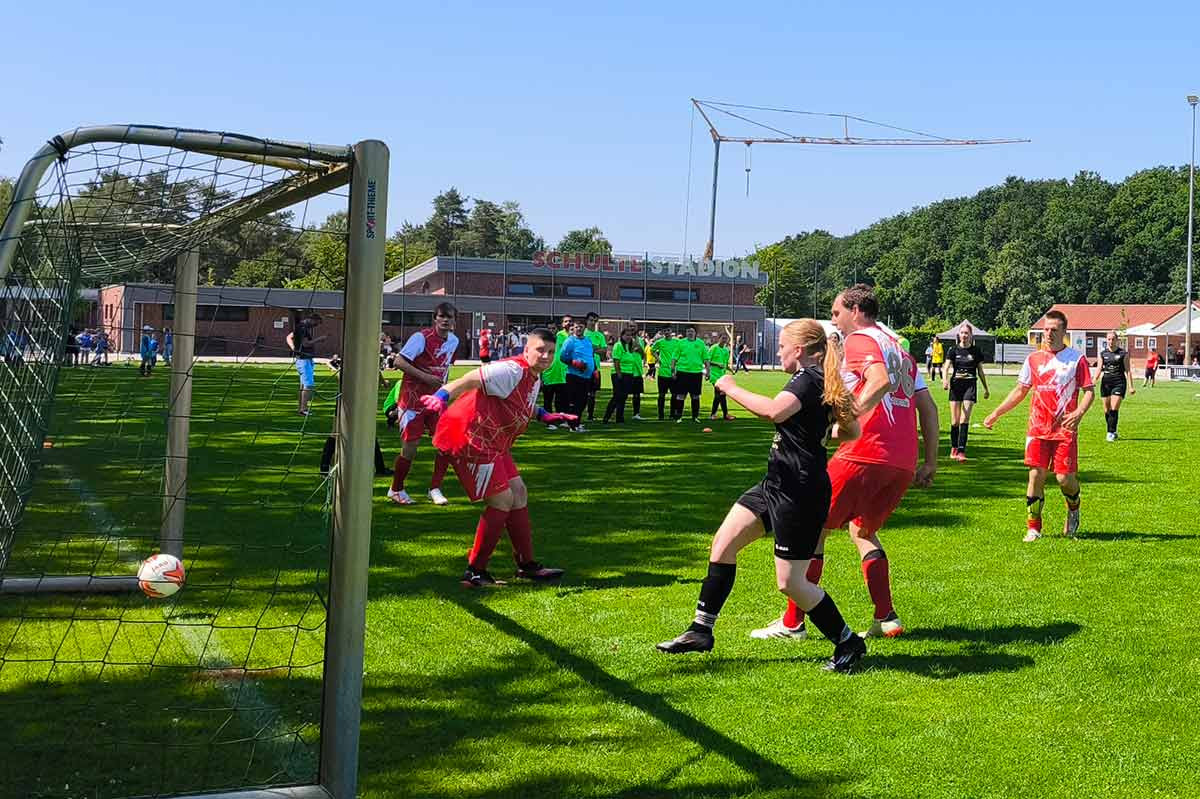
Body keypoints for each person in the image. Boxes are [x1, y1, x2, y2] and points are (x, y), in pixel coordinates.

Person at [656, 320, 867, 672]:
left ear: (798, 350)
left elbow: (773, 411)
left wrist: (728, 385)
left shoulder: (808, 377)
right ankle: (700, 630)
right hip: (776, 484)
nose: (780, 351)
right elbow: (850, 430)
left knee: (790, 583)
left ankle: (847, 641)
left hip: (799, 492)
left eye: (783, 346)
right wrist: (815, 433)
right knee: (723, 543)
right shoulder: (818, 379)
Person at [752, 285, 938, 641]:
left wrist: (848, 417)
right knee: (863, 531)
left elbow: (879, 381)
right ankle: (886, 618)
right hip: (901, 459)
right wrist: (930, 460)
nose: (833, 321)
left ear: (855, 311)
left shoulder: (860, 340)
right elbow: (927, 408)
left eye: (836, 313)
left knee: (814, 527)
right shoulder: (901, 350)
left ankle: (792, 624)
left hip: (864, 450)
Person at [420, 328, 575, 587]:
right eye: (540, 350)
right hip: (472, 438)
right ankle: (475, 571)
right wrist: (441, 396)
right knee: (502, 499)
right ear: (526, 350)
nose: (546, 356)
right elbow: (470, 379)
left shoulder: (533, 376)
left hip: (495, 442)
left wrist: (546, 416)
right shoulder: (511, 370)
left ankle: (526, 565)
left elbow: (518, 402)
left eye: (550, 351)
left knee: (519, 493)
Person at [983, 309, 1094, 542]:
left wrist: (1079, 412)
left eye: (1054, 330)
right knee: (1036, 475)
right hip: (1037, 428)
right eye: (1045, 329)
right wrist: (996, 413)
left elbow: (1089, 392)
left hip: (1064, 429)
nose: (1048, 334)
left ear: (1064, 332)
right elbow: (1020, 390)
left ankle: (1074, 508)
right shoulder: (1033, 359)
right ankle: (1033, 527)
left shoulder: (1076, 359)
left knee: (1065, 479)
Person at [387, 302, 459, 505]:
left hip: (435, 400)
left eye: (449, 317)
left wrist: (445, 391)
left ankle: (435, 488)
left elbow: (444, 367)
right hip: (412, 400)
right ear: (435, 318)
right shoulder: (421, 338)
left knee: (446, 443)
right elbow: (399, 362)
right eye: (441, 316)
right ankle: (396, 489)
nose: (445, 320)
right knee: (410, 448)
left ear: (454, 321)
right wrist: (425, 377)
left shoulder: (453, 341)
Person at [942, 324, 990, 461]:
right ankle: (954, 447)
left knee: (964, 418)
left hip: (970, 386)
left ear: (971, 335)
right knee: (955, 420)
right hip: (956, 386)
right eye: (962, 333)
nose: (964, 335)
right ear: (959, 335)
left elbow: (980, 371)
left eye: (966, 333)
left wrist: (986, 388)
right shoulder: (953, 350)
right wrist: (945, 380)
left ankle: (961, 451)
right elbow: (946, 367)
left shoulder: (976, 351)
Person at [1093, 330, 1135, 442]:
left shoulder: (1123, 354)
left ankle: (1110, 432)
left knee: (1114, 408)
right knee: (1106, 410)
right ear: (1106, 340)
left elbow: (1128, 371)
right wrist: (1094, 380)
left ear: (1117, 340)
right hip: (1106, 382)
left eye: (1113, 339)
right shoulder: (1103, 354)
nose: (1111, 341)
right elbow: (1099, 369)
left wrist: (1131, 386)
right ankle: (1113, 430)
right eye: (1109, 339)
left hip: (1119, 382)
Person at [558, 321, 596, 432]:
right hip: (574, 375)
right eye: (576, 327)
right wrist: (574, 363)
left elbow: (590, 355)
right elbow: (562, 357)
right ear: (573, 328)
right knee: (575, 402)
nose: (578, 329)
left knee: (583, 401)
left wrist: (594, 370)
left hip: (586, 376)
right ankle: (573, 425)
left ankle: (576, 423)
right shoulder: (570, 341)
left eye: (581, 327)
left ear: (584, 328)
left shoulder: (588, 340)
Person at [602, 326, 645, 423]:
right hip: (619, 374)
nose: (628, 337)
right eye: (626, 335)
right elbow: (616, 360)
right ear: (622, 336)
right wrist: (619, 374)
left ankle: (619, 417)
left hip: (629, 374)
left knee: (624, 396)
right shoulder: (618, 345)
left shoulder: (630, 346)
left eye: (630, 335)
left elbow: (641, 356)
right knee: (617, 396)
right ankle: (607, 416)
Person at [670, 326, 708, 423]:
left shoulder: (700, 343)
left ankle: (695, 417)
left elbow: (706, 358)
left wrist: (708, 371)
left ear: (695, 333)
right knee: (680, 395)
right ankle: (679, 417)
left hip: (696, 373)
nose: (690, 333)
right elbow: (674, 358)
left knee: (695, 396)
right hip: (682, 372)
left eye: (691, 331)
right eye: (688, 331)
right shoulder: (681, 343)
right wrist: (673, 371)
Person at [540, 315, 572, 426]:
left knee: (562, 401)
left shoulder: (562, 337)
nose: (551, 330)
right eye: (549, 328)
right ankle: (550, 422)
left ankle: (562, 420)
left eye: (553, 328)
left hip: (561, 374)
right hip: (548, 375)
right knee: (548, 401)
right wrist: (539, 377)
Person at [584, 313, 608, 421]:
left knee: (593, 393)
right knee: (581, 391)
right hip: (583, 367)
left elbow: (604, 351)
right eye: (591, 320)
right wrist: (595, 348)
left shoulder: (600, 335)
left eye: (595, 321)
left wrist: (592, 348)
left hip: (596, 368)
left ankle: (590, 415)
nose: (593, 323)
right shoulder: (582, 333)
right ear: (587, 321)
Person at [707, 333, 735, 420]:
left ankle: (724, 414)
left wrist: (730, 369)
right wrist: (716, 364)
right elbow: (707, 360)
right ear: (719, 339)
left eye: (725, 339)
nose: (724, 340)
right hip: (714, 375)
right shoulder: (713, 348)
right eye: (723, 338)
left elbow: (725, 363)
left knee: (722, 395)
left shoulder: (726, 350)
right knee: (718, 394)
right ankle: (713, 414)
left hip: (722, 376)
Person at [651, 330, 678, 419]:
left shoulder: (677, 342)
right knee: (661, 395)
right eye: (665, 331)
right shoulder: (660, 342)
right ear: (663, 333)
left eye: (669, 330)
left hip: (673, 372)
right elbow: (652, 350)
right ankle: (661, 415)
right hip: (663, 372)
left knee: (674, 395)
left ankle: (672, 414)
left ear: (671, 332)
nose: (667, 332)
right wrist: (658, 359)